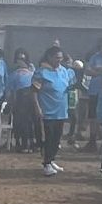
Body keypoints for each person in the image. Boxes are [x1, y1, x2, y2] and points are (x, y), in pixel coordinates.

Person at [33, 47, 77, 177]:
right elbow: (34, 92)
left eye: (61, 58)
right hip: (47, 111)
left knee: (57, 139)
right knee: (49, 138)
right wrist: (37, 108)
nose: (59, 60)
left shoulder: (63, 71)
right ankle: (46, 163)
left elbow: (71, 84)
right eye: (57, 57)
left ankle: (51, 160)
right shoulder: (41, 72)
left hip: (61, 110)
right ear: (49, 57)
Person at [8, 51, 40, 154]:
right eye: (19, 59)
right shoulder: (14, 74)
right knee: (22, 123)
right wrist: (11, 104)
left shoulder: (32, 73)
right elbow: (11, 91)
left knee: (31, 122)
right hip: (20, 99)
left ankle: (32, 143)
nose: (21, 62)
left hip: (30, 99)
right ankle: (23, 143)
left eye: (23, 60)